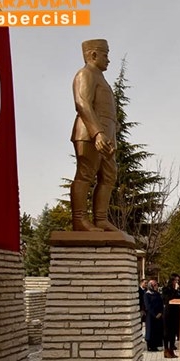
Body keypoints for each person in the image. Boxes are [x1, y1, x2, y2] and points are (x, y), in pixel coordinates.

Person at [70, 39, 120, 232]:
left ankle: (101, 219)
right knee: (85, 174)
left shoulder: (100, 78)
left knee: (109, 175)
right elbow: (82, 103)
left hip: (106, 136)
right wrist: (97, 133)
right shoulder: (85, 74)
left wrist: (110, 133)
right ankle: (79, 220)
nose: (108, 60)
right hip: (89, 133)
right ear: (93, 55)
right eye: (105, 55)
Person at [161, 273, 180, 358]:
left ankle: (171, 349)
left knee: (173, 332)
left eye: (178, 280)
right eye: (176, 280)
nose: (177, 282)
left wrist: (177, 290)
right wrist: (175, 290)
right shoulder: (166, 289)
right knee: (167, 332)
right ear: (172, 280)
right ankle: (166, 350)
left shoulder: (178, 290)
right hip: (168, 312)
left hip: (176, 312)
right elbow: (168, 299)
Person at [143, 280, 164, 352]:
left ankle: (156, 345)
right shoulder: (147, 294)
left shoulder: (157, 294)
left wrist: (160, 312)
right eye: (154, 285)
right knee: (150, 331)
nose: (156, 287)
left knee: (157, 331)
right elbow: (148, 306)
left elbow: (161, 304)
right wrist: (155, 314)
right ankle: (150, 346)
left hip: (159, 315)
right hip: (151, 316)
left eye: (156, 285)